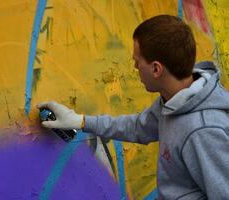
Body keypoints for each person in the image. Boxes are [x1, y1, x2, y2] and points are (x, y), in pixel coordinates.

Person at [37, 15, 229, 199]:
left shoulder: (202, 131)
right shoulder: (175, 100)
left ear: (156, 69)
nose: (135, 66)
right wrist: (80, 121)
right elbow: (138, 127)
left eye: (137, 61)